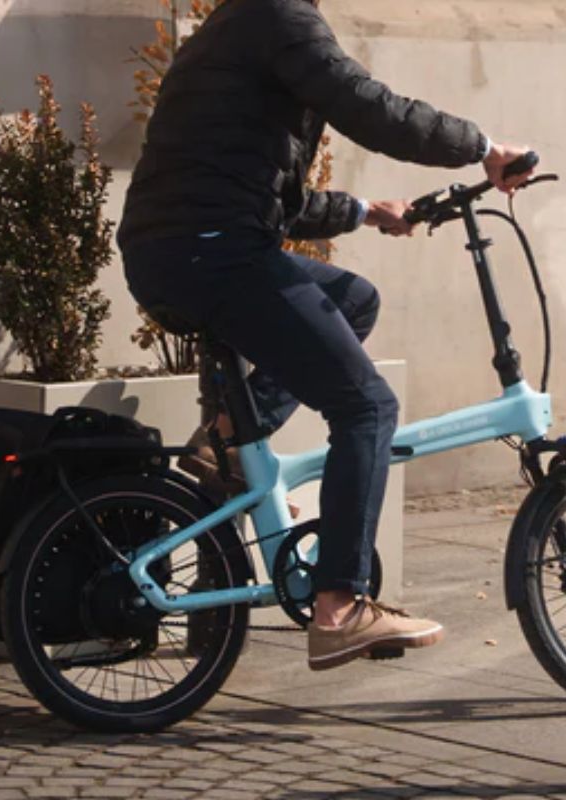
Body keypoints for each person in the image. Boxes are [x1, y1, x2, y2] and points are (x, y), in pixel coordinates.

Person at [117, 0, 534, 671]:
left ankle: (227, 438)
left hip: (183, 248)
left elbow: (270, 198)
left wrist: (367, 211)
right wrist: (485, 149)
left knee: (354, 299)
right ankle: (341, 606)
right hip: (214, 252)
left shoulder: (230, 26)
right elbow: (370, 108)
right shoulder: (279, 16)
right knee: (367, 406)